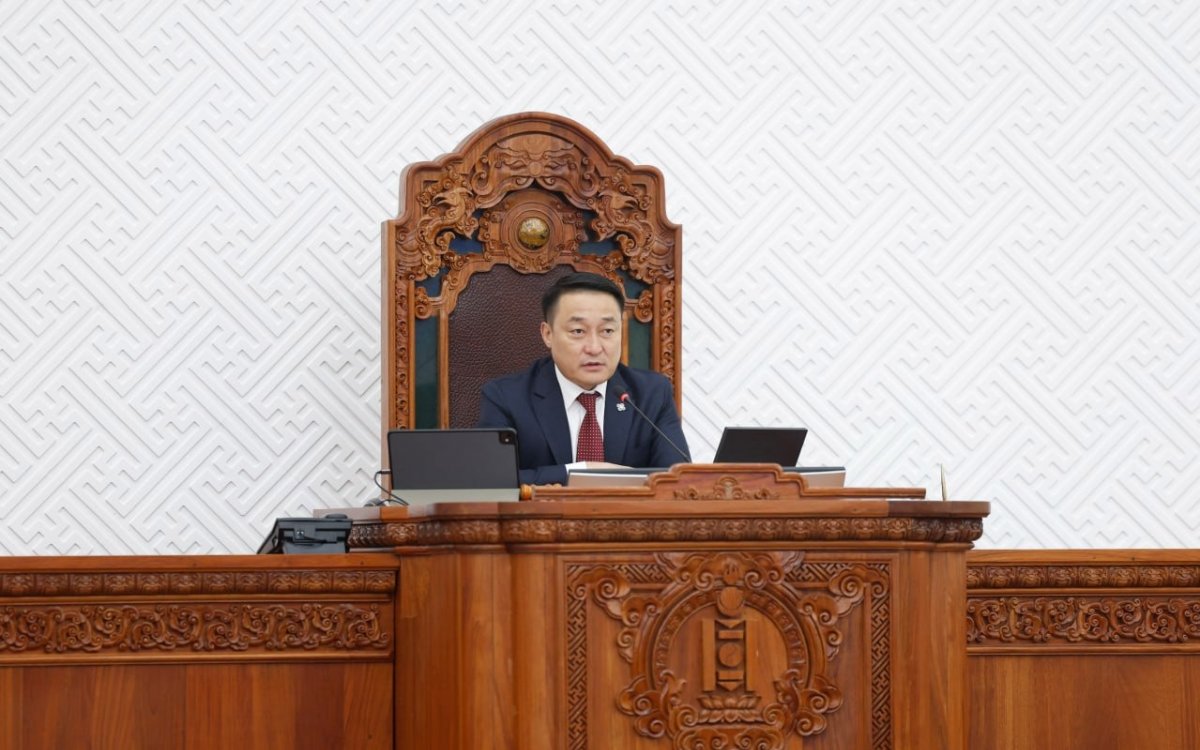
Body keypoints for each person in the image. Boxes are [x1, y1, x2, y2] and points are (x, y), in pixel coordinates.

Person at [477, 272, 690, 485]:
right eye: (578, 331)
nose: (594, 348)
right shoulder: (506, 398)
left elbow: (678, 481)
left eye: (607, 330)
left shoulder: (651, 394)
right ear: (548, 334)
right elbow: (489, 481)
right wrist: (581, 471)